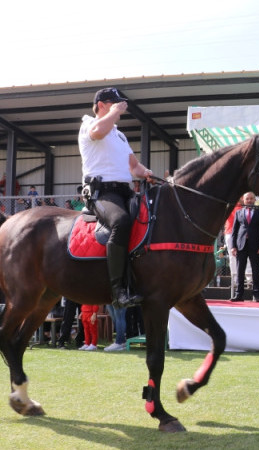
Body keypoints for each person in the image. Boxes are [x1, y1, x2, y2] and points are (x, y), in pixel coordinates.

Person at [78, 87, 153, 309]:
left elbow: (134, 166)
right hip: (101, 192)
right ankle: (117, 290)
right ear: (101, 104)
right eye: (115, 103)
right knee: (120, 221)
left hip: (124, 191)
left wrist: (147, 173)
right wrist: (113, 113)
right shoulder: (89, 124)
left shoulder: (119, 135)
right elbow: (98, 131)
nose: (121, 107)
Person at [230, 192, 259, 302]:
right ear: (244, 200)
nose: (249, 201)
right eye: (247, 199)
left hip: (255, 246)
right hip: (241, 245)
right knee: (240, 270)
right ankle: (239, 294)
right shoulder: (238, 213)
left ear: (254, 200)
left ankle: (257, 294)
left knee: (256, 270)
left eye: (251, 198)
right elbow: (234, 231)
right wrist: (233, 246)